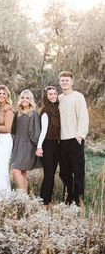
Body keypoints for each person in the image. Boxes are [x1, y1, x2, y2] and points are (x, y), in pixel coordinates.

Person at [58, 71, 89, 206]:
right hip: (62, 141)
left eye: (67, 80)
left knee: (78, 171)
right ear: (60, 82)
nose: (64, 82)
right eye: (62, 80)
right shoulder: (58, 98)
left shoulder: (78, 97)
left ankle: (78, 199)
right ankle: (69, 195)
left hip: (75, 140)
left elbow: (83, 116)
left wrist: (80, 135)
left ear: (72, 82)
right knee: (64, 172)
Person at [11, 89, 42, 191]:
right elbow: (13, 130)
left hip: (28, 145)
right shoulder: (18, 113)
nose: (25, 100)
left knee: (15, 170)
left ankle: (21, 196)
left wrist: (38, 147)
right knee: (22, 171)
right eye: (23, 97)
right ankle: (25, 198)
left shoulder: (33, 114)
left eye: (27, 98)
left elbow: (36, 131)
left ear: (31, 100)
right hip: (17, 144)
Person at [36, 86, 60, 207]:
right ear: (46, 96)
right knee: (48, 174)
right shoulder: (45, 111)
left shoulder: (57, 109)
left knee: (52, 174)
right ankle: (43, 202)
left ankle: (48, 200)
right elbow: (43, 131)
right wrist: (39, 147)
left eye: (55, 94)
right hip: (47, 144)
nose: (53, 96)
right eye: (50, 94)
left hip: (56, 144)